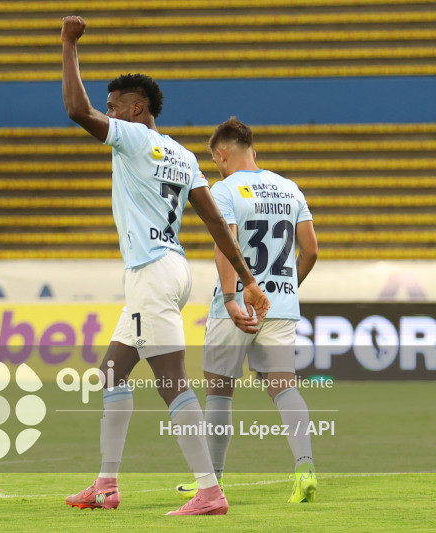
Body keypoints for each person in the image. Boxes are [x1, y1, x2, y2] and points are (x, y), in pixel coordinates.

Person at [60, 17, 269, 516]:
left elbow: (76, 109)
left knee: (171, 378)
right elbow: (214, 221)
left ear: (137, 110)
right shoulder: (182, 154)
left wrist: (68, 44)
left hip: (151, 272)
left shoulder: (132, 138)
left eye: (114, 107)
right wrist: (246, 278)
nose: (108, 113)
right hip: (172, 268)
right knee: (113, 372)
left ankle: (209, 491)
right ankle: (106, 485)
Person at [175, 117, 319, 503]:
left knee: (219, 389)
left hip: (237, 303)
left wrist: (230, 297)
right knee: (283, 386)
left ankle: (213, 482)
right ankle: (305, 466)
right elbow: (311, 249)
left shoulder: (224, 190)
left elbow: (227, 244)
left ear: (222, 155)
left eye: (215, 161)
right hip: (280, 304)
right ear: (253, 151)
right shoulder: (290, 188)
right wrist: (286, 289)